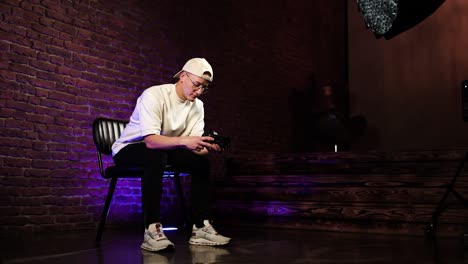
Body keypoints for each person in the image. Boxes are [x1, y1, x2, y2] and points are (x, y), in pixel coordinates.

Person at [111, 58, 231, 252]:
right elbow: (150, 141)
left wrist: (207, 147)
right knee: (155, 156)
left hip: (167, 149)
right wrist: (185, 141)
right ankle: (151, 229)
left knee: (201, 164)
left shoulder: (198, 106)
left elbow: (194, 146)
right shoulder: (154, 94)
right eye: (197, 85)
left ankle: (200, 227)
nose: (199, 92)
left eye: (204, 88)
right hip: (129, 147)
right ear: (183, 76)